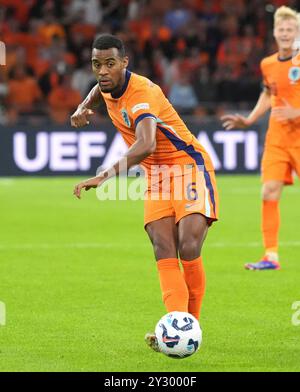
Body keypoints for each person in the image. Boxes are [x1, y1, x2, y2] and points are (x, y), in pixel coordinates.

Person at [71, 34, 218, 351]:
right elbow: (100, 90)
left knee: (188, 244)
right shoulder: (108, 84)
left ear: (125, 63)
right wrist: (83, 106)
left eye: (110, 63)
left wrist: (105, 176)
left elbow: (147, 143)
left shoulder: (143, 91)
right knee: (162, 247)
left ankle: (190, 326)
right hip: (155, 175)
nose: (103, 71)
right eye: (97, 64)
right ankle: (176, 328)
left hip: (187, 164)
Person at [221, 6, 300, 271]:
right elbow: (268, 93)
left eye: (291, 29)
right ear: (275, 33)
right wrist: (250, 119)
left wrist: (296, 111)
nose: (286, 33)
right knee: (268, 191)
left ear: (297, 32)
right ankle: (271, 256)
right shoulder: (267, 63)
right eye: (282, 29)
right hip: (277, 137)